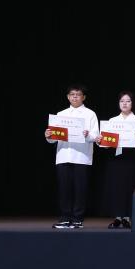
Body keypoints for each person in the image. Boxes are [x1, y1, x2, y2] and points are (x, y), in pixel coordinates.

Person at [45, 84, 99, 229]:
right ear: (68, 97)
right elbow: (53, 139)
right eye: (72, 94)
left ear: (83, 97)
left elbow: (96, 136)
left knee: (80, 189)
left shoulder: (90, 114)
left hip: (82, 156)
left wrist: (88, 135)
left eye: (78, 94)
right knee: (64, 188)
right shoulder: (60, 114)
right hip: (63, 155)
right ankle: (64, 218)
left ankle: (77, 219)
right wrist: (49, 136)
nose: (75, 97)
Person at [99, 91, 135, 229]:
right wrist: (100, 141)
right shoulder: (112, 121)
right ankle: (117, 217)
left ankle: (127, 218)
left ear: (132, 103)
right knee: (116, 187)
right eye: (122, 101)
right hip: (115, 157)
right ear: (119, 103)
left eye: (128, 101)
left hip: (131, 157)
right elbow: (105, 143)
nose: (125, 103)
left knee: (129, 186)